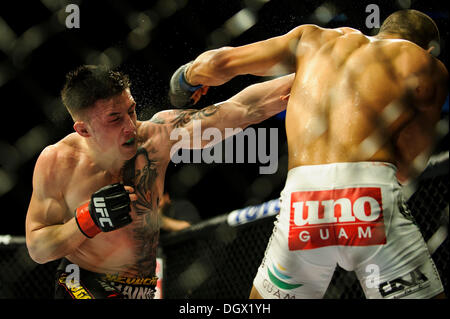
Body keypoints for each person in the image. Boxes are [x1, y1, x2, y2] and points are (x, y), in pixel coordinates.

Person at [169, 9, 448, 299]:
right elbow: (408, 168)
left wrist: (185, 80)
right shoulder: (426, 64)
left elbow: (218, 62)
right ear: (429, 48)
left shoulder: (315, 38)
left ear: (381, 31)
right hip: (370, 198)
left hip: (303, 202)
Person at [25, 65, 293, 299]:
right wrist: (87, 220)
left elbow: (243, 108)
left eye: (131, 110)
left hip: (145, 285)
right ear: (83, 129)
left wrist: (312, 72)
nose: (130, 125)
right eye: (115, 119)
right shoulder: (59, 161)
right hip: (85, 285)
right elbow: (37, 247)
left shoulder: (157, 135)